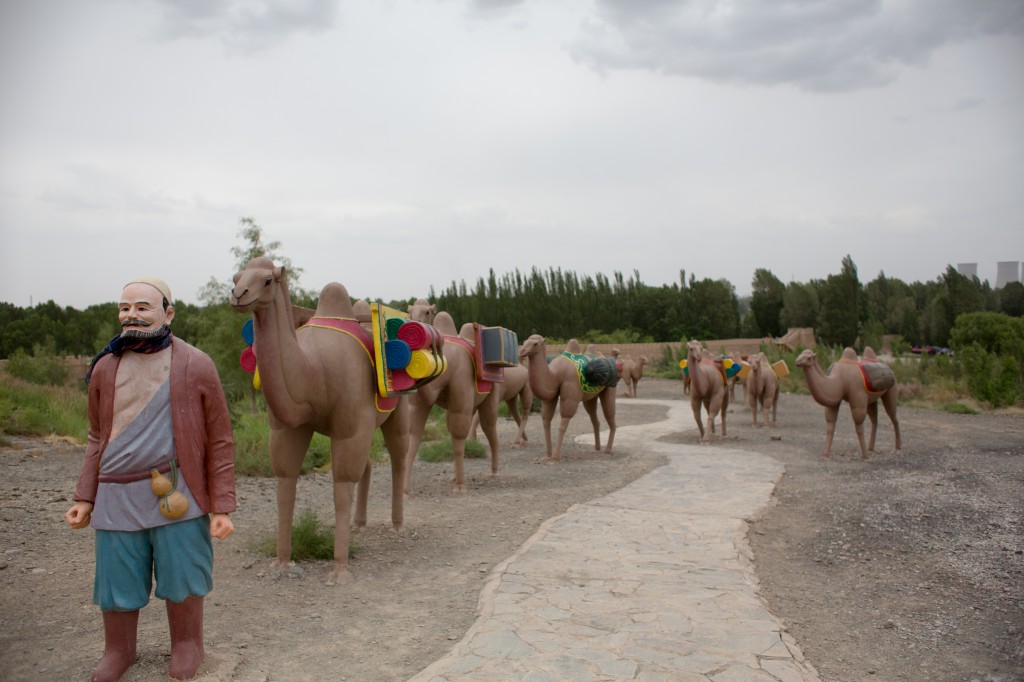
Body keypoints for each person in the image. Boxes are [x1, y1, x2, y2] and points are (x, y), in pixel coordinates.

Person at [65, 277, 236, 682]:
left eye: (142, 307)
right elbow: (95, 437)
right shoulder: (106, 368)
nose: (131, 316)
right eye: (124, 308)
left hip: (178, 493)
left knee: (183, 573)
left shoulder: (196, 363)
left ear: (168, 312)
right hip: (115, 493)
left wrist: (222, 505)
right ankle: (119, 650)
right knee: (117, 579)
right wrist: (85, 497)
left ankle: (187, 644)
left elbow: (220, 439)